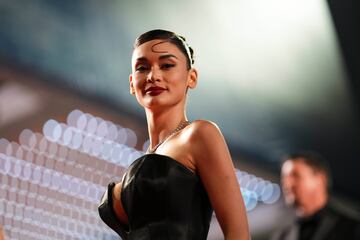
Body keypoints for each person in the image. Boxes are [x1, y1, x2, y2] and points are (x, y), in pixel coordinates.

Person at [98, 29, 250, 240]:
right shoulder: (147, 157)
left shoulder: (199, 134)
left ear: (191, 77)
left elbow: (238, 234)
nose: (153, 76)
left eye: (167, 65)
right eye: (143, 68)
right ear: (132, 83)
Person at [271, 151, 360, 240]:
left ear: (320, 179)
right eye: (284, 177)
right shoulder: (282, 235)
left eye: (295, 175)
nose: (287, 184)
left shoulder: (352, 228)